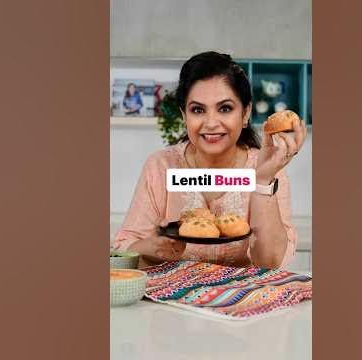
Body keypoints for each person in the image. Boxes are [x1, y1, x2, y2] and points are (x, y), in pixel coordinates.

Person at [113, 51, 307, 269]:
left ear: (245, 114)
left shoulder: (268, 170)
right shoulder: (161, 166)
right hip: (173, 298)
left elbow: (270, 262)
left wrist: (262, 180)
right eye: (198, 110)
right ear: (184, 116)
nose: (211, 123)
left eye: (225, 108)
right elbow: (122, 249)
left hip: (242, 299)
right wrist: (153, 248)